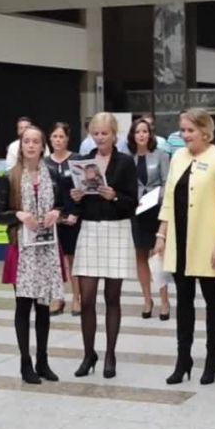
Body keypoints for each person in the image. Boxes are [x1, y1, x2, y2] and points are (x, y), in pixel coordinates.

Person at [153, 108, 215, 385]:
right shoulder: (178, 157)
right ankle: (183, 359)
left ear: (205, 131)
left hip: (207, 240)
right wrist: (161, 234)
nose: (185, 135)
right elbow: (167, 198)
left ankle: (211, 360)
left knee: (212, 299)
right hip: (179, 239)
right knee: (183, 301)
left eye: (190, 130)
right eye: (182, 130)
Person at [70, 112, 138, 379]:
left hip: (116, 229)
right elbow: (73, 199)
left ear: (114, 135)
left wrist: (115, 196)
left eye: (105, 133)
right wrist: (75, 196)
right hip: (89, 228)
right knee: (86, 298)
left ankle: (110, 353)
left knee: (112, 297)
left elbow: (133, 202)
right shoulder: (81, 162)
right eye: (95, 133)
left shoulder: (124, 163)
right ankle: (89, 353)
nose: (100, 138)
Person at [0, 126, 65, 384]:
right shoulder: (10, 176)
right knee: (23, 305)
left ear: (43, 146)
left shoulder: (53, 175)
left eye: (36, 141)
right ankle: (25, 364)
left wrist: (56, 212)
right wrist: (19, 215)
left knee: (44, 306)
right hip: (23, 249)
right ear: (21, 145)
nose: (31, 145)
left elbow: (64, 205)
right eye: (27, 141)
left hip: (46, 248)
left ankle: (43, 360)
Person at [128, 118, 171, 320]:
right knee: (140, 255)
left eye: (145, 131)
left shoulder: (161, 155)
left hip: (156, 209)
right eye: (138, 132)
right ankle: (147, 299)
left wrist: (155, 198)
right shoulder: (129, 158)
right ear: (133, 136)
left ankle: (164, 300)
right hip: (137, 211)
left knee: (157, 256)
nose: (141, 135)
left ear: (150, 134)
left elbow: (166, 183)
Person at [44, 122, 81, 316]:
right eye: (55, 136)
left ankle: (77, 297)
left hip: (73, 216)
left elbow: (83, 189)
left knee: (73, 259)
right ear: (50, 139)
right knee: (55, 260)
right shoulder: (44, 163)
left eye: (61, 136)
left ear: (67, 138)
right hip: (52, 218)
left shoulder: (77, 160)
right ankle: (58, 297)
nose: (58, 140)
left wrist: (75, 212)